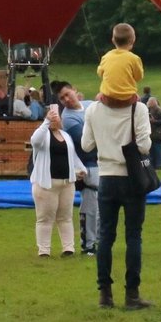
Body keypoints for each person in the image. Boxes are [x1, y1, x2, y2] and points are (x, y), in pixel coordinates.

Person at [82, 79, 153, 310]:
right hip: (131, 178)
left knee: (105, 236)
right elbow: (143, 147)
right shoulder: (138, 108)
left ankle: (105, 295)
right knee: (133, 236)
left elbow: (86, 145)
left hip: (106, 177)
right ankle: (132, 295)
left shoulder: (93, 109)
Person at [29, 104, 86, 258]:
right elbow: (34, 140)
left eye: (56, 117)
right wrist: (46, 122)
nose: (55, 120)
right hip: (46, 185)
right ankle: (44, 250)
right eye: (51, 117)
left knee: (66, 217)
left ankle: (68, 248)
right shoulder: (43, 135)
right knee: (45, 218)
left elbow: (72, 157)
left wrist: (80, 170)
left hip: (67, 184)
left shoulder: (66, 136)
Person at [59, 85, 99, 256]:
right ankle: (88, 244)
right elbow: (85, 142)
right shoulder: (68, 118)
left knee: (103, 206)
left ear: (75, 90)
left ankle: (99, 241)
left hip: (104, 161)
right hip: (88, 165)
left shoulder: (91, 105)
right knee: (90, 205)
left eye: (67, 94)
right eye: (62, 98)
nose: (66, 99)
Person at [97, 22, 144, 107]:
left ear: (113, 40)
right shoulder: (134, 58)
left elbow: (100, 73)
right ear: (133, 40)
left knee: (99, 96)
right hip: (127, 100)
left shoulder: (106, 56)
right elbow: (138, 77)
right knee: (138, 99)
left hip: (108, 99)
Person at [147, 98, 161, 172]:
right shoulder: (149, 110)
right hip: (151, 134)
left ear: (153, 103)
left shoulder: (159, 110)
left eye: (149, 102)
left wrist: (153, 121)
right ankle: (152, 166)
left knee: (158, 150)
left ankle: (158, 166)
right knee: (151, 151)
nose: (148, 104)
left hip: (158, 134)